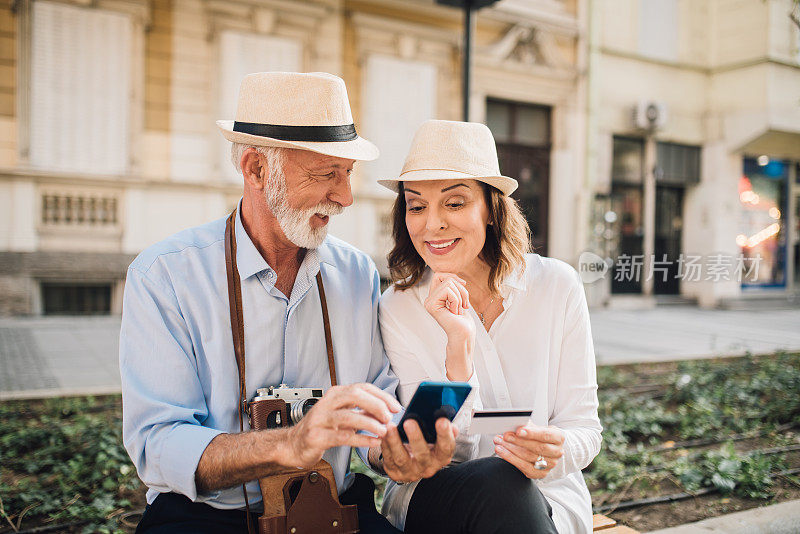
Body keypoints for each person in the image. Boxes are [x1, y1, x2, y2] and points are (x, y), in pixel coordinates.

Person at [119, 73, 457, 534]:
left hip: (331, 511)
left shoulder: (356, 273)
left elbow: (378, 401)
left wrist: (391, 447)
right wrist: (288, 444)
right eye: (326, 175)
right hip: (208, 518)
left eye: (348, 173)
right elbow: (157, 444)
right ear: (256, 169)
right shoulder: (165, 276)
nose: (345, 196)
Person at [376, 119, 603, 533]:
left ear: (492, 210)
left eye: (455, 203)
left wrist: (556, 450)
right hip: (439, 500)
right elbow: (433, 453)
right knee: (497, 479)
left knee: (510, 486)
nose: (432, 225)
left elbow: (585, 429)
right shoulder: (397, 308)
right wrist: (458, 351)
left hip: (546, 498)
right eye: (416, 205)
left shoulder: (557, 286)